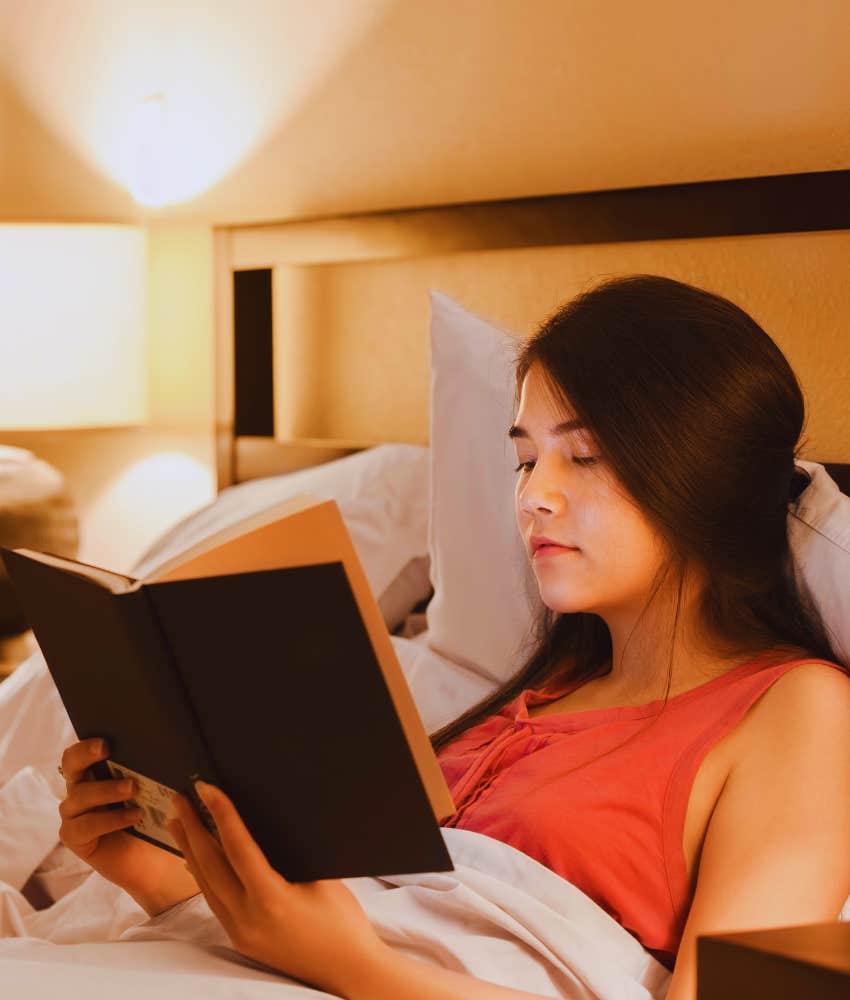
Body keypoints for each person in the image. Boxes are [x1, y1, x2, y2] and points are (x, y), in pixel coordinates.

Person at [56, 274, 850, 1000]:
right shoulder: (535, 696)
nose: (535, 496)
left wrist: (351, 965)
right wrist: (164, 875)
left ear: (703, 472)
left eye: (583, 456)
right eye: (525, 460)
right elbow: (343, 930)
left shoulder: (800, 710)